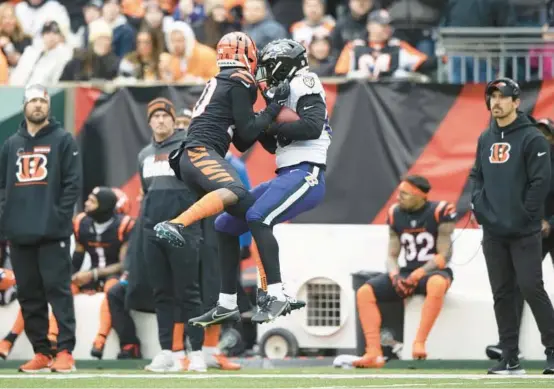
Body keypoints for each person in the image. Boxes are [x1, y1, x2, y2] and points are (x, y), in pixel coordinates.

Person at [153, 32, 290, 323]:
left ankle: (262, 294)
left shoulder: (224, 80)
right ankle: (176, 223)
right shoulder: (240, 79)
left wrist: (266, 116)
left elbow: (241, 140)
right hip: (200, 152)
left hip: (195, 157)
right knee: (236, 190)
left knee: (253, 216)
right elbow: (249, 130)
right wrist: (274, 107)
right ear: (247, 55)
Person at [190, 38, 329, 325]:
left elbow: (312, 127)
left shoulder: (305, 80)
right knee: (225, 225)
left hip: (308, 172)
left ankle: (276, 294)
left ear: (283, 64)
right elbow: (263, 144)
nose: (262, 73)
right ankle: (227, 302)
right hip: (288, 173)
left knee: (257, 216)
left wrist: (271, 121)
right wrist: (252, 122)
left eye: (267, 66)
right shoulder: (277, 94)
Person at [469, 77, 554, 375]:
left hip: (523, 230)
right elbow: (475, 176)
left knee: (532, 288)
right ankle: (510, 358)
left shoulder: (532, 138)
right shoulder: (485, 138)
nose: (496, 102)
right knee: (502, 293)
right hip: (493, 231)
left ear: (516, 102)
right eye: (492, 97)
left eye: (502, 97)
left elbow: (541, 182)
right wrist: (479, 207)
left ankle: (553, 352)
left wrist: (527, 215)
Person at [0, 84, 82, 373]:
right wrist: (6, 219)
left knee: (58, 292)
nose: (38, 105)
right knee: (30, 296)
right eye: (33, 100)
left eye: (42, 101)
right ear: (24, 105)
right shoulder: (11, 145)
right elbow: (1, 188)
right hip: (20, 234)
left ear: (48, 106)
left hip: (53, 234)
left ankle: (65, 352)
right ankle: (41, 352)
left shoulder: (63, 140)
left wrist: (59, 219)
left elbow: (73, 185)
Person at [354, 176, 456, 368]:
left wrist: (418, 274)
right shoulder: (395, 213)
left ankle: (419, 342)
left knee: (437, 284)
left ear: (419, 196)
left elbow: (444, 255)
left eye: (405, 194)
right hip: (406, 272)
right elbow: (392, 255)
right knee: (364, 292)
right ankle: (373, 352)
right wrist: (394, 275)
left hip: (433, 271)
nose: (398, 198)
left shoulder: (439, 211)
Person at [139, 97, 206, 372]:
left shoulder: (186, 147)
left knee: (189, 292)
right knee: (161, 293)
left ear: (172, 119)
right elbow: (146, 193)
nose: (161, 120)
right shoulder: (143, 155)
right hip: (152, 232)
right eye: (155, 116)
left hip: (183, 229)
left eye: (165, 115)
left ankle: (197, 352)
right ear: (150, 121)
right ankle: (167, 351)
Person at [485, 117, 554, 361]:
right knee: (516, 286)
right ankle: (510, 346)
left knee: (531, 287)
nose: (541, 138)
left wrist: (550, 221)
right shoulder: (521, 160)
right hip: (530, 229)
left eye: (546, 134)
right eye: (538, 133)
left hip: (545, 226)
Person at [70, 186, 134, 360]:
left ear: (105, 205)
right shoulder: (81, 222)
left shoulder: (124, 225)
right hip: (93, 273)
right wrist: (71, 276)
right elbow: (78, 254)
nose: (86, 203)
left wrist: (93, 274)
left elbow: (124, 264)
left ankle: (100, 339)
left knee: (112, 289)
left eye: (92, 200)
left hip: (113, 275)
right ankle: (54, 339)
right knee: (64, 287)